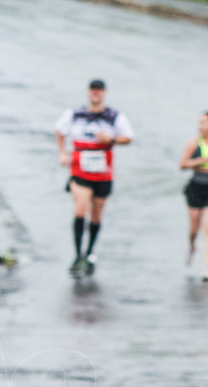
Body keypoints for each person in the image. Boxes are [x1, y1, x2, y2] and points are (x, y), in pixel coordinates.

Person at [55, 79, 133, 275]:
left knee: (96, 215)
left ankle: (90, 253)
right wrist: (62, 153)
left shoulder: (114, 116)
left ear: (104, 93)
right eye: (93, 90)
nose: (96, 93)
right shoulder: (75, 114)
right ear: (88, 92)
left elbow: (128, 137)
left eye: (99, 90)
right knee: (80, 210)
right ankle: (77, 255)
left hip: (103, 172)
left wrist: (112, 139)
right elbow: (59, 130)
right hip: (80, 170)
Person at [179, 112, 208, 281]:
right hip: (196, 186)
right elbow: (182, 164)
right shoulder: (194, 142)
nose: (200, 127)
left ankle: (206, 267)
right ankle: (192, 245)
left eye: (204, 123)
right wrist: (201, 160)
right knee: (194, 228)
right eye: (199, 123)